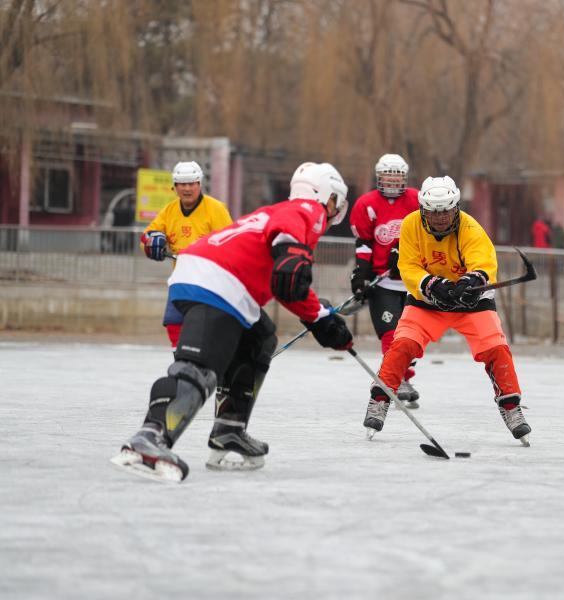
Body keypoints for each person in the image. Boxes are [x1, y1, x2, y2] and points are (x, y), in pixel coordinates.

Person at [112, 162, 354, 482]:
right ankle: (151, 436)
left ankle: (230, 428)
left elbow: (286, 285)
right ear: (326, 195)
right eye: (336, 200)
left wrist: (319, 316)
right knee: (199, 367)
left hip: (214, 278)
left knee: (261, 338)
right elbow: (289, 252)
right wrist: (295, 256)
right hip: (216, 283)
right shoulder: (308, 210)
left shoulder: (274, 212)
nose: (336, 208)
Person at [362, 175, 531, 446]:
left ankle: (511, 408)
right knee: (402, 343)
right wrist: (431, 284)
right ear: (422, 210)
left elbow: (484, 262)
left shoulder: (470, 228)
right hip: (427, 302)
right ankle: (379, 401)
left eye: (446, 211)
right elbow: (408, 266)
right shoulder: (410, 225)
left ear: (456, 208)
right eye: (433, 212)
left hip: (472, 303)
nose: (440, 218)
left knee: (496, 348)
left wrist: (470, 280)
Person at [349, 153, 422, 407]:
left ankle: (405, 376)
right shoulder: (366, 204)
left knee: (412, 336)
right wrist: (361, 273)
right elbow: (365, 243)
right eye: (387, 177)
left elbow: (426, 234)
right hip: (384, 283)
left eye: (396, 177)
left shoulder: (416, 200)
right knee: (390, 333)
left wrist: (402, 250)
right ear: (378, 178)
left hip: (414, 280)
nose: (391, 182)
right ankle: (397, 380)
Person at [140, 161, 233, 346]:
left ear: (199, 184)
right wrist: (152, 242)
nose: (187, 188)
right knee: (174, 321)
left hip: (211, 281)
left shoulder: (216, 209)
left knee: (207, 328)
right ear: (174, 187)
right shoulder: (169, 211)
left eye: (191, 183)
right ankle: (180, 358)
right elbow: (146, 237)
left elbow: (231, 244)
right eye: (182, 184)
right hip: (182, 278)